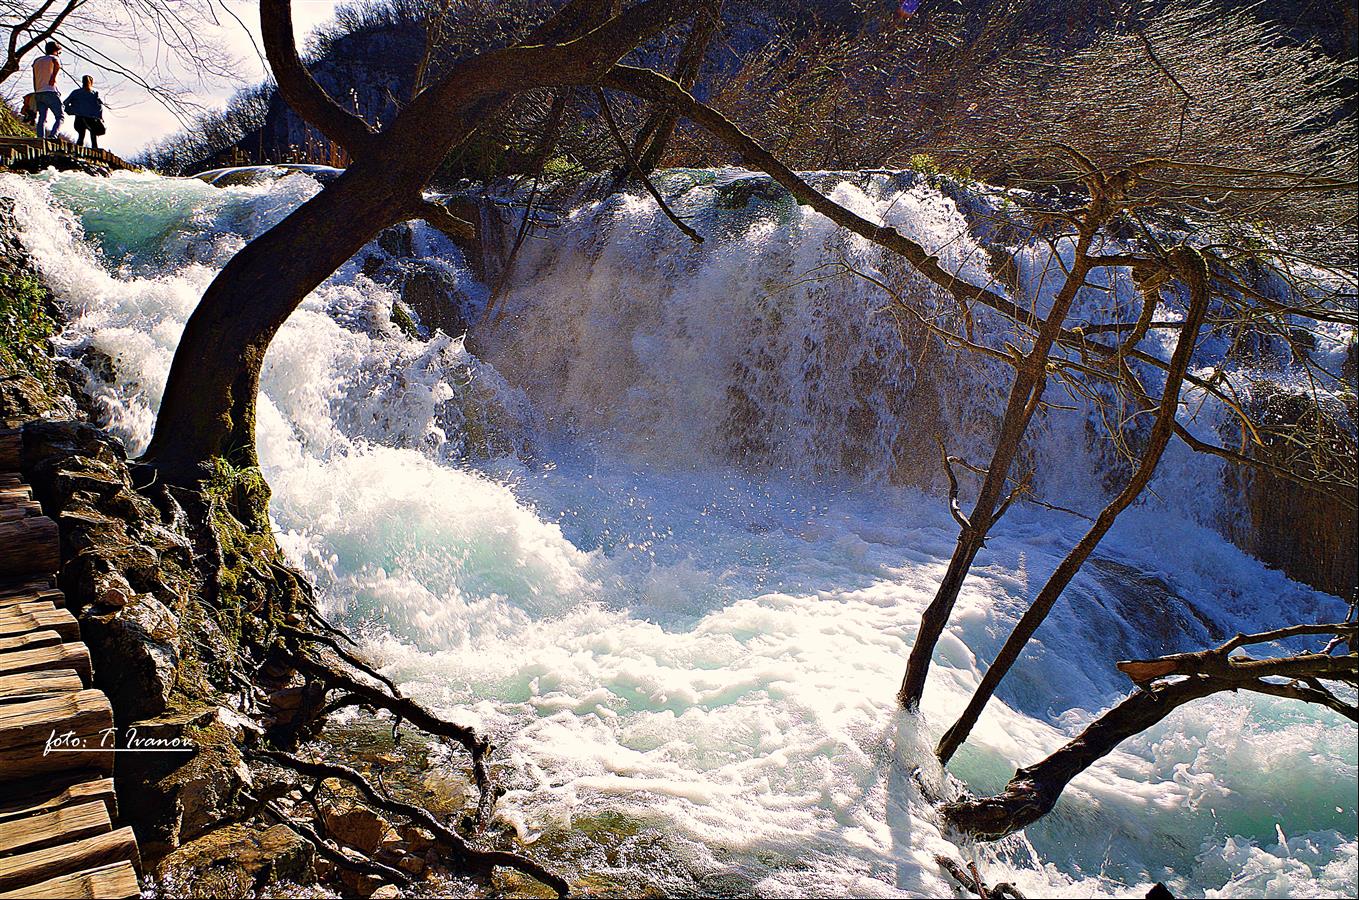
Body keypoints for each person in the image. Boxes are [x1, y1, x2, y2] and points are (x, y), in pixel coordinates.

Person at [31, 41, 63, 139]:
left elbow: (34, 77)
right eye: (58, 52)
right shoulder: (53, 58)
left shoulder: (37, 61)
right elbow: (57, 64)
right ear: (55, 50)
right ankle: (53, 135)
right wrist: (53, 77)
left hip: (39, 92)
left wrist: (36, 90)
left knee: (42, 118)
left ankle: (40, 137)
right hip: (50, 91)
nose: (58, 54)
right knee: (60, 116)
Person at [64, 75, 105, 149]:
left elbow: (65, 103)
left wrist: (71, 111)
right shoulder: (94, 94)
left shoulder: (76, 92)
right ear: (91, 83)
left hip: (79, 118)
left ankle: (78, 149)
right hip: (91, 119)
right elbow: (99, 107)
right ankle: (94, 148)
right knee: (93, 135)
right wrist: (100, 118)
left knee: (81, 136)